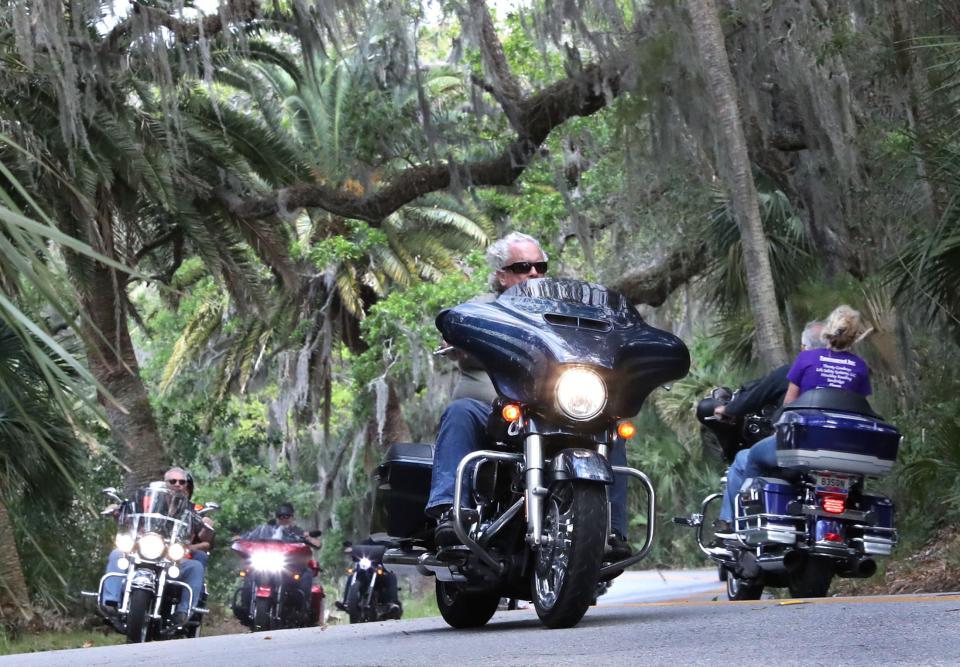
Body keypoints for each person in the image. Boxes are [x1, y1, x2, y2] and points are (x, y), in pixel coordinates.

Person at [425, 231, 632, 559]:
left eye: (540, 266)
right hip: (496, 411)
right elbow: (455, 325)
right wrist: (456, 335)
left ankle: (612, 528)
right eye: (523, 266)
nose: (533, 273)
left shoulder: (565, 312)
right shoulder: (483, 309)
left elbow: (600, 338)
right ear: (502, 275)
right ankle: (450, 511)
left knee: (612, 425)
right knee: (461, 411)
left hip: (559, 409)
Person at [716, 306, 870, 532]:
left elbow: (789, 407)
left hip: (803, 447)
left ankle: (744, 525)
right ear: (855, 336)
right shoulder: (860, 368)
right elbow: (858, 408)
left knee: (750, 458)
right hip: (843, 452)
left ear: (829, 330)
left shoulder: (807, 359)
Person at [101, 467, 214, 627]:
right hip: (143, 551)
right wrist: (116, 510)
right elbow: (127, 515)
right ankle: (110, 602)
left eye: (182, 482)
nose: (177, 485)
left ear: (186, 485)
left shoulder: (194, 510)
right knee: (117, 554)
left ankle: (183, 612)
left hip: (173, 558)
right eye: (172, 481)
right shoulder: (145, 501)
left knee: (196, 567)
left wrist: (207, 525)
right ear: (164, 482)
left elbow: (205, 538)